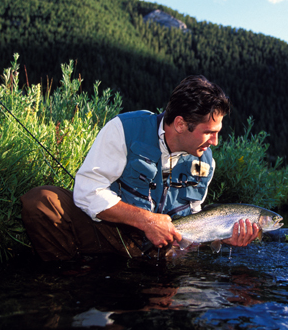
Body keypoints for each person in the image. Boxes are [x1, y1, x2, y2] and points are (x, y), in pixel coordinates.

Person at [20, 75, 260, 261]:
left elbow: (194, 219)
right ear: (180, 124)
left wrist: (224, 235)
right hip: (110, 231)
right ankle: (67, 279)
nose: (215, 142)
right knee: (42, 202)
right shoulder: (124, 130)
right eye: (209, 132)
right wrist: (146, 221)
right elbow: (86, 191)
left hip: (162, 249)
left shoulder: (205, 162)